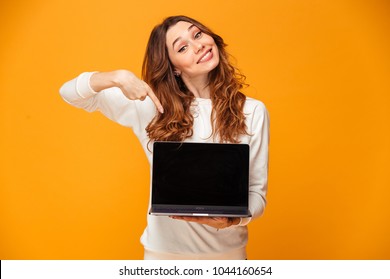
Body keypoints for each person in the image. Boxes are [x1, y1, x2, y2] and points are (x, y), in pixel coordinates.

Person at [59, 15, 269, 260]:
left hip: (228, 256)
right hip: (164, 257)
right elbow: (69, 93)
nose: (198, 45)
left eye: (198, 34)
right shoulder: (151, 105)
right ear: (174, 67)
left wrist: (232, 219)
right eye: (182, 47)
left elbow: (256, 193)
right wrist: (118, 77)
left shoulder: (252, 111)